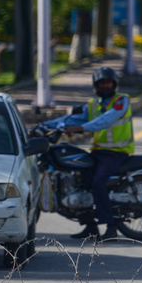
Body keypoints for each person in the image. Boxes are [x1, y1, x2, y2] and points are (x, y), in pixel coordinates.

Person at [43, 66, 134, 241]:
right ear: (95, 85)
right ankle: (91, 226)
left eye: (108, 83)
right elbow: (72, 119)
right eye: (101, 83)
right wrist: (47, 125)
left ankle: (111, 227)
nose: (105, 86)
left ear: (114, 84)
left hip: (117, 154)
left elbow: (105, 120)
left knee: (98, 182)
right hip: (99, 152)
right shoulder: (93, 105)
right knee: (81, 181)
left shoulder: (121, 101)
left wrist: (81, 128)